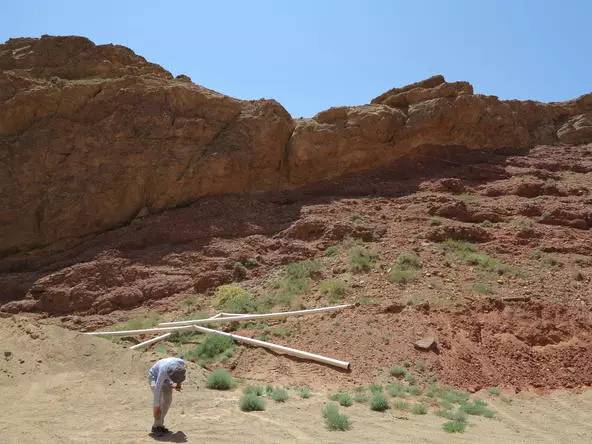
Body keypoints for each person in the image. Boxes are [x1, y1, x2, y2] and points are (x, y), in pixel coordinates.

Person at [148, 357, 186, 436]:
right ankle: (156, 426)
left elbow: (180, 376)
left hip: (166, 380)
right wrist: (157, 407)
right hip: (153, 377)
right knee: (160, 400)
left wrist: (178, 384)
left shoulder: (181, 364)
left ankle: (160, 424)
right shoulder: (163, 371)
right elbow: (157, 390)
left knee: (168, 399)